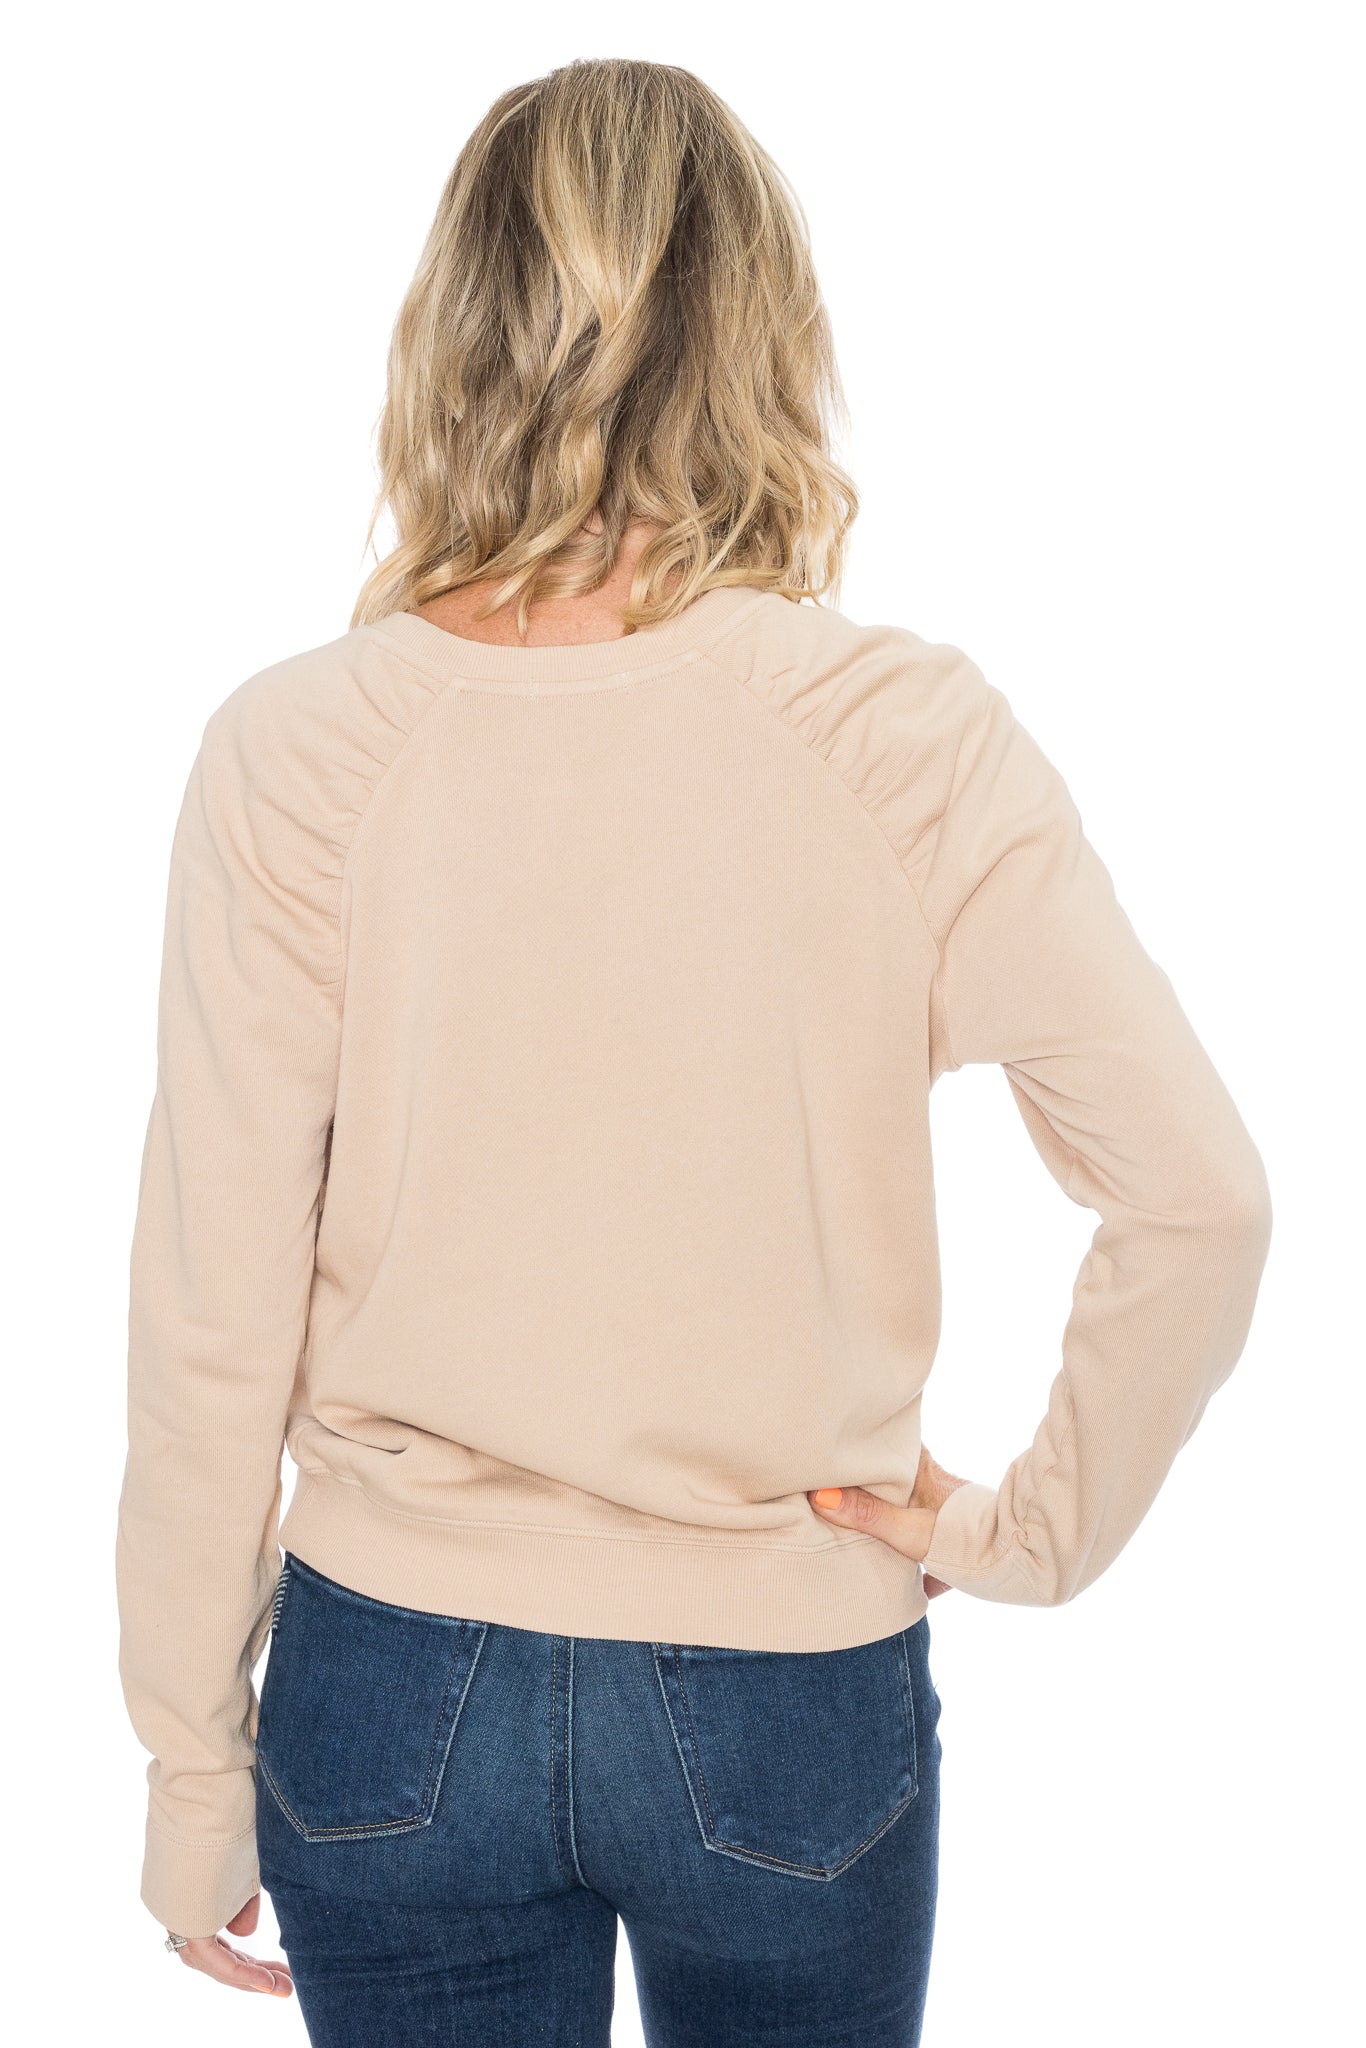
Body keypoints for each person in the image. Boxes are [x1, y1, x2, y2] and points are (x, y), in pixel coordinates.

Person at [115, 56, 1273, 2047]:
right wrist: (1024, 1536)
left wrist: (186, 1763)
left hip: (393, 1685)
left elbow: (209, 1315)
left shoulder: (298, 749)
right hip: (782, 1691)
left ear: (455, 331)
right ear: (762, 336)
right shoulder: (900, 738)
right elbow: (1197, 1198)